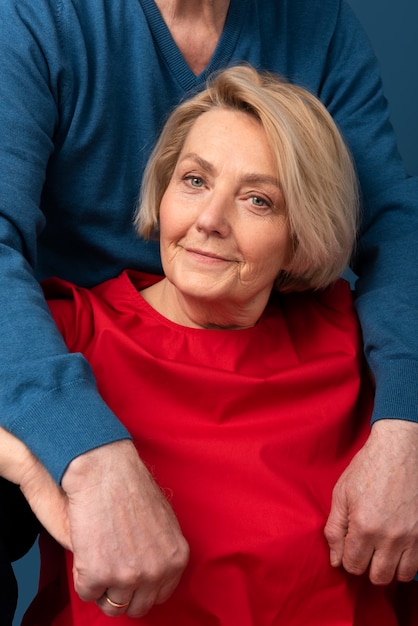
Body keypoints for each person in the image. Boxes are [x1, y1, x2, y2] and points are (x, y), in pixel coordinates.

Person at [0, 0, 417, 622]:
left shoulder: (345, 342)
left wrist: (405, 425)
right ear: (162, 187)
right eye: (193, 181)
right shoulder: (41, 21)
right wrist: (78, 455)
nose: (210, 220)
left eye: (256, 199)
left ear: (300, 241)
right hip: (68, 367)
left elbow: (396, 228)